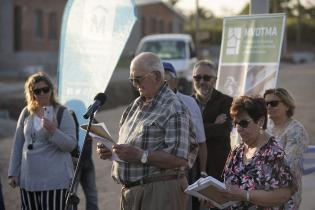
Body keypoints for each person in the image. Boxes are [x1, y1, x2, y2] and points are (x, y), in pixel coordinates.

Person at [97, 52, 198, 210]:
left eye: (138, 79)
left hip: (160, 192)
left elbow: (181, 159)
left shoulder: (174, 107)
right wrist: (112, 151)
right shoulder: (134, 107)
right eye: (131, 80)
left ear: (157, 76)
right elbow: (131, 148)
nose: (135, 84)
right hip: (131, 193)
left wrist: (141, 155)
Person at [203, 95, 296, 209]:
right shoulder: (237, 151)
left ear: (260, 121)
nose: (238, 128)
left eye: (243, 123)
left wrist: (246, 195)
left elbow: (284, 194)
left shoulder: (274, 153)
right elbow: (229, 189)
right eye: (235, 123)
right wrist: (215, 199)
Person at [8, 72, 77, 209]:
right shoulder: (26, 113)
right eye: (37, 91)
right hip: (28, 181)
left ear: (51, 90)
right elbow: (18, 144)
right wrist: (13, 173)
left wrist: (53, 131)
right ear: (31, 93)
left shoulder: (63, 113)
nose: (42, 94)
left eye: (45, 89)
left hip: (55, 181)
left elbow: (70, 145)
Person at [163, 61, 207, 210]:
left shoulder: (189, 103)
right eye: (160, 80)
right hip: (159, 172)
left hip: (186, 168)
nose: (164, 84)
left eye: (167, 79)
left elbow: (201, 141)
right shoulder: (147, 106)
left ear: (175, 81)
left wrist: (202, 172)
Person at [264, 88, 309, 209]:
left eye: (274, 103)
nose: (269, 106)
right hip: (262, 188)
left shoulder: (296, 131)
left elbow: (288, 165)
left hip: (286, 192)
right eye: (266, 103)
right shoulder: (265, 126)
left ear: (287, 106)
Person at [192, 60, 232, 180]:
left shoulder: (226, 101)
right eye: (197, 78)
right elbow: (186, 131)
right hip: (192, 166)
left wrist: (197, 128)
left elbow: (224, 130)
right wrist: (214, 125)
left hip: (217, 166)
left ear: (215, 80)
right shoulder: (187, 102)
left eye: (206, 78)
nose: (202, 82)